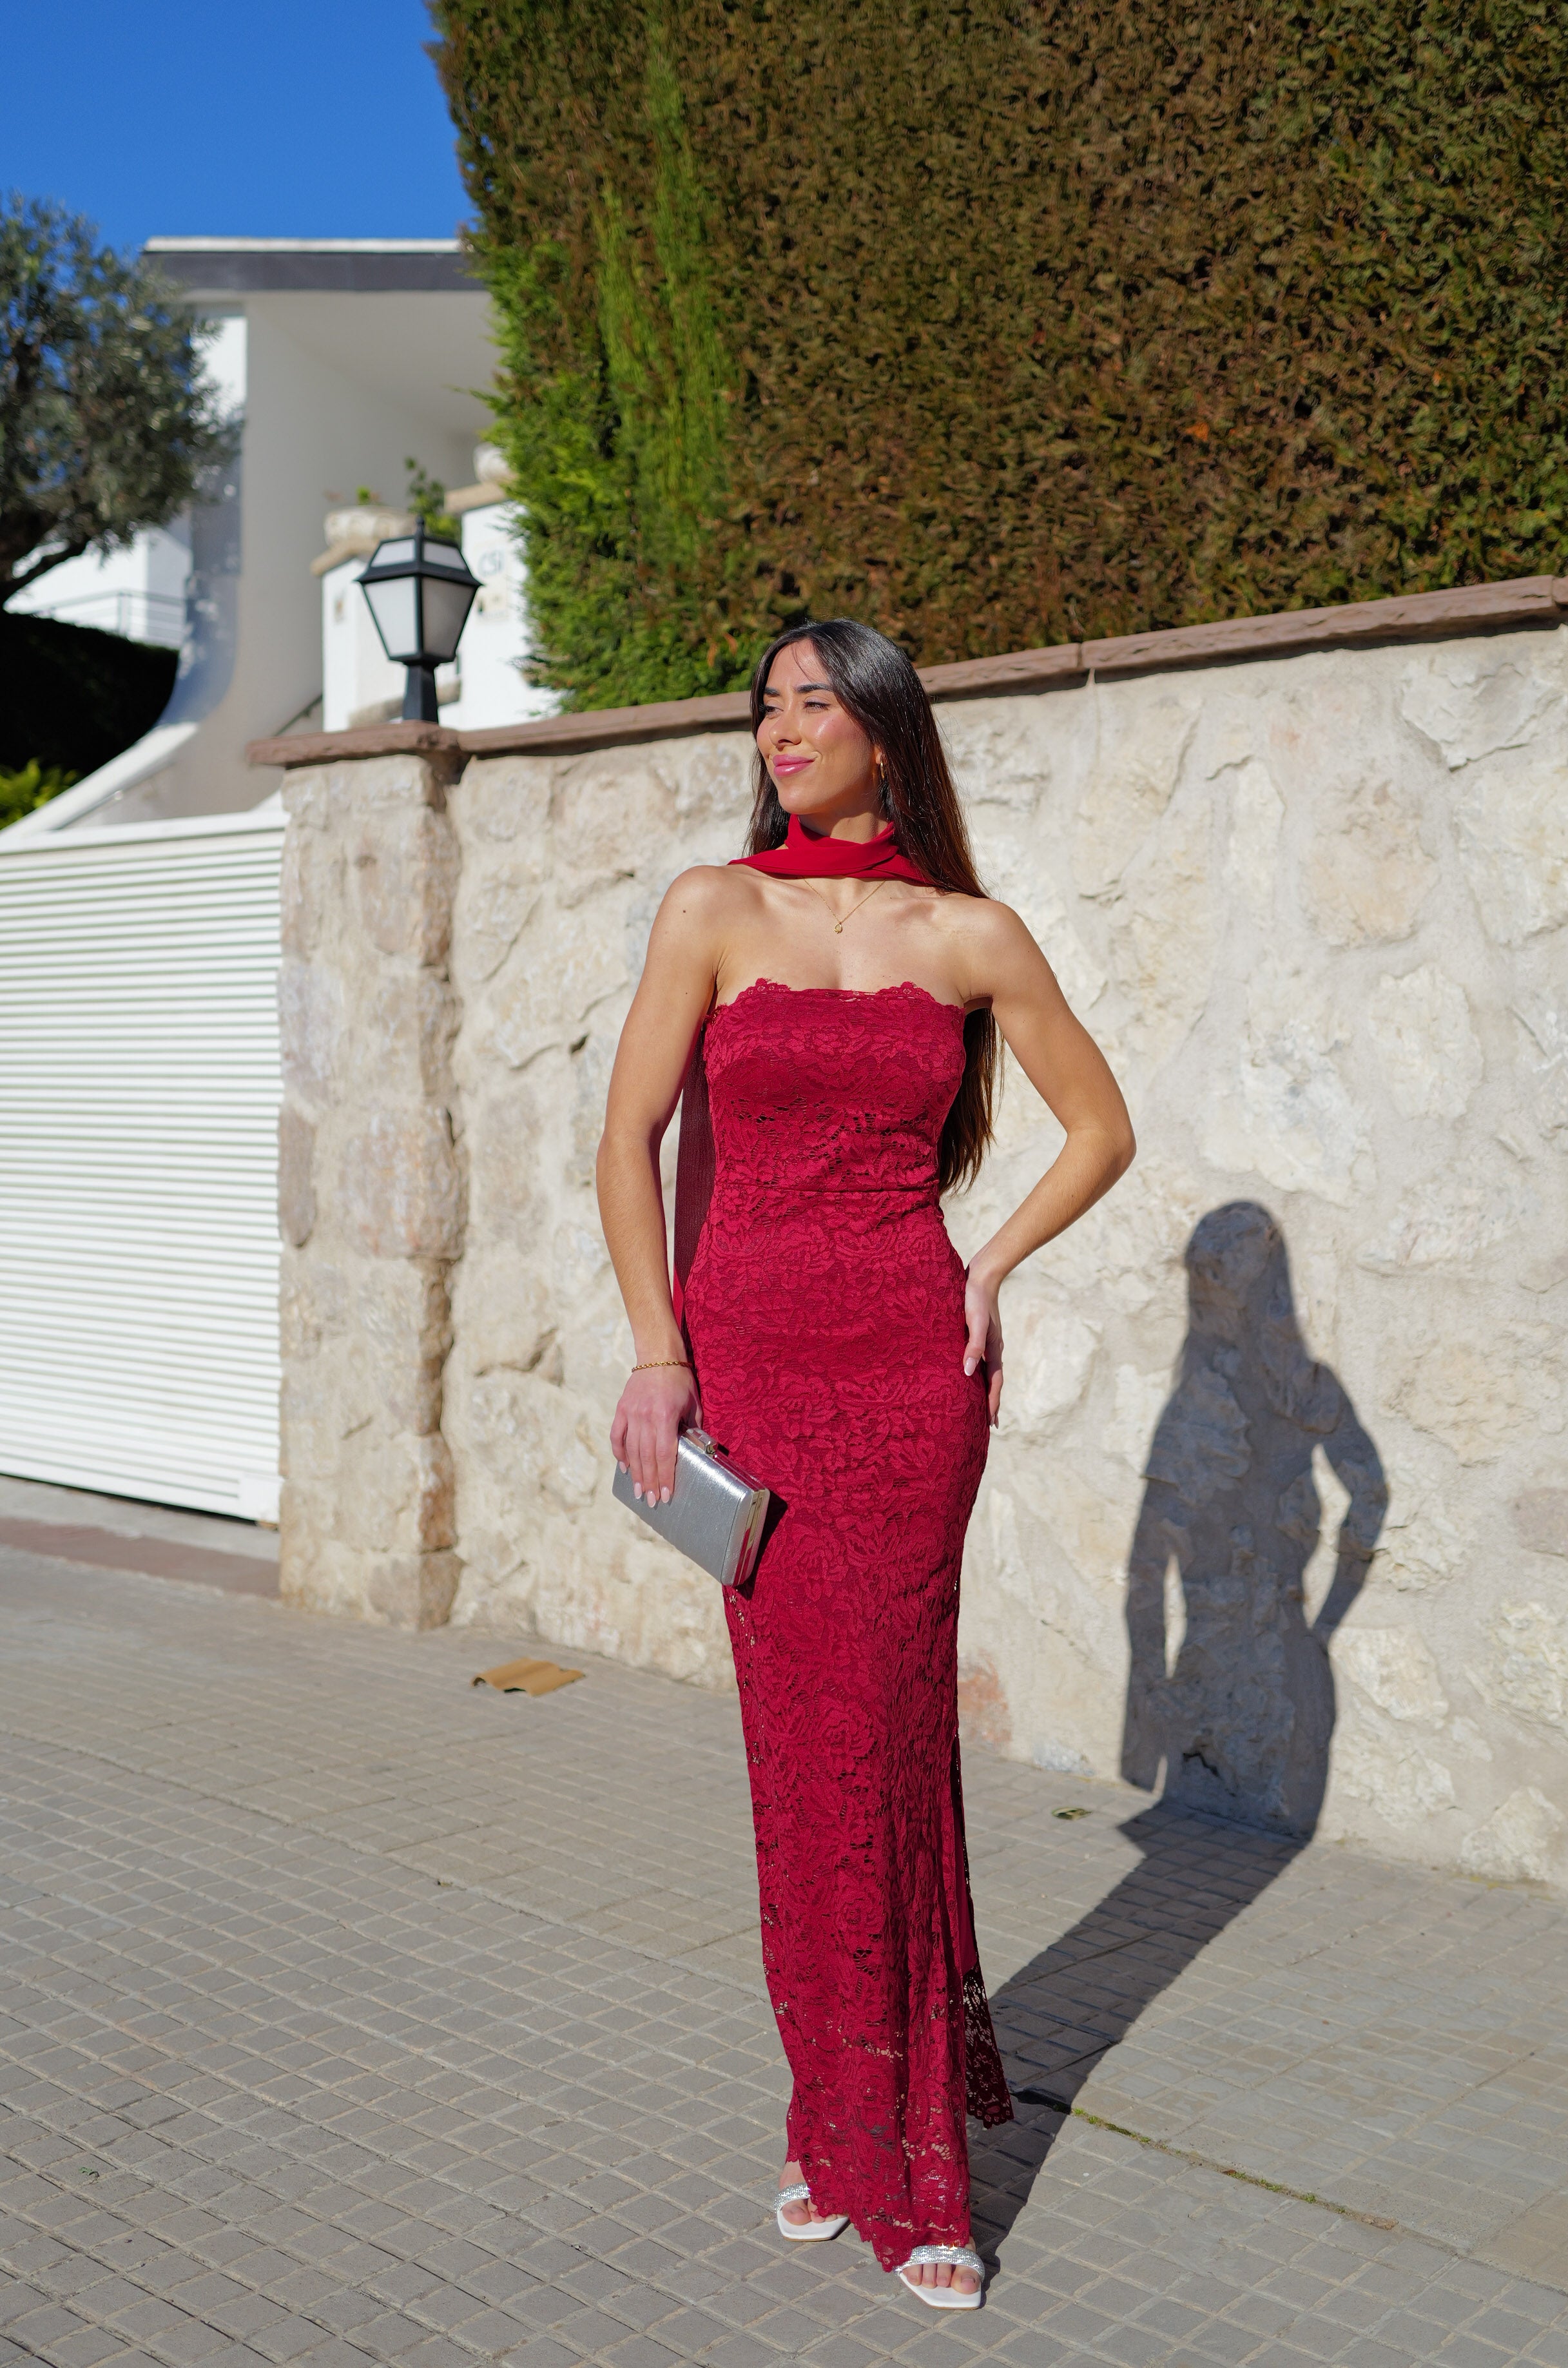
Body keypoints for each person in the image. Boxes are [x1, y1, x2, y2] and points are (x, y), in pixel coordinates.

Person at [595, 619, 1134, 2309]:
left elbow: (1101, 1126)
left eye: (811, 701)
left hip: (911, 1378)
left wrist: (988, 1265)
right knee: (795, 1765)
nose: (779, 726)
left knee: (890, 1752)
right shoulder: (711, 906)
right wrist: (660, 1349)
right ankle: (827, 2108)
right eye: (765, 704)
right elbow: (628, 1140)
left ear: (885, 724)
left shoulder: (969, 934)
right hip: (748, 1371)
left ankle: (917, 2168)